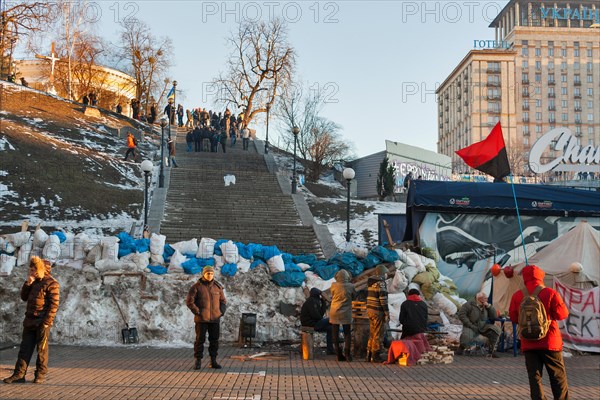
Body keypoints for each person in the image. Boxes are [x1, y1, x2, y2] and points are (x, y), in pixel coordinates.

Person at [509, 265, 569, 400]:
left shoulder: (517, 295)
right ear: (541, 276)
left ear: (524, 277)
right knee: (557, 377)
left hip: (528, 342)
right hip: (550, 342)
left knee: (534, 378)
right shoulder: (549, 292)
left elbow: (513, 318)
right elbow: (562, 314)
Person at [3, 257, 60, 384]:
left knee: (41, 350)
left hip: (42, 322)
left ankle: (40, 375)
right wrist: (27, 283)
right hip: (30, 320)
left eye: (34, 270)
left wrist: (46, 322)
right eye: (31, 269)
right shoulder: (33, 281)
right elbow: (24, 297)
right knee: (25, 348)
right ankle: (19, 375)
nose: (31, 272)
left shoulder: (52, 283)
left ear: (41, 270)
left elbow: (54, 305)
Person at [186, 266, 226, 370]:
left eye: (211, 274)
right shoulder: (196, 287)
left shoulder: (218, 287)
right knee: (200, 340)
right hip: (201, 319)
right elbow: (190, 301)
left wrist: (221, 312)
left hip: (214, 319)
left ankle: (213, 361)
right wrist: (197, 311)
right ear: (204, 274)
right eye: (208, 273)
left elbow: (223, 301)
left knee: (214, 340)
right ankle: (198, 361)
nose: (209, 275)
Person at [457, 291, 501, 357]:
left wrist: (489, 307)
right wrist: (469, 324)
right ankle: (462, 347)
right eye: (485, 298)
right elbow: (461, 315)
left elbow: (494, 317)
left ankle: (493, 350)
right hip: (471, 325)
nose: (487, 300)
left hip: (482, 326)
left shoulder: (486, 305)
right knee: (466, 336)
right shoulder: (469, 304)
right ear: (479, 299)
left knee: (496, 330)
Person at [329, 270, 357, 361]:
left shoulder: (333, 285)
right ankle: (348, 354)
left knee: (335, 333)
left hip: (334, 312)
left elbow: (332, 295)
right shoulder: (351, 286)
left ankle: (338, 354)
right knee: (347, 333)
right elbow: (354, 297)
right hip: (346, 313)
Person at [299, 288, 334, 355]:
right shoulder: (311, 301)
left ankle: (330, 350)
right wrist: (323, 320)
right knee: (331, 320)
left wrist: (323, 302)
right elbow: (315, 315)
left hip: (314, 322)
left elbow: (320, 314)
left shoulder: (315, 301)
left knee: (330, 328)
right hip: (310, 324)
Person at [366, 265, 389, 363]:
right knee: (378, 334)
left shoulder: (371, 283)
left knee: (372, 333)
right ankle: (375, 355)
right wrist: (386, 312)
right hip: (378, 311)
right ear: (382, 273)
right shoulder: (381, 283)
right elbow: (383, 299)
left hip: (370, 310)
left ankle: (369, 354)